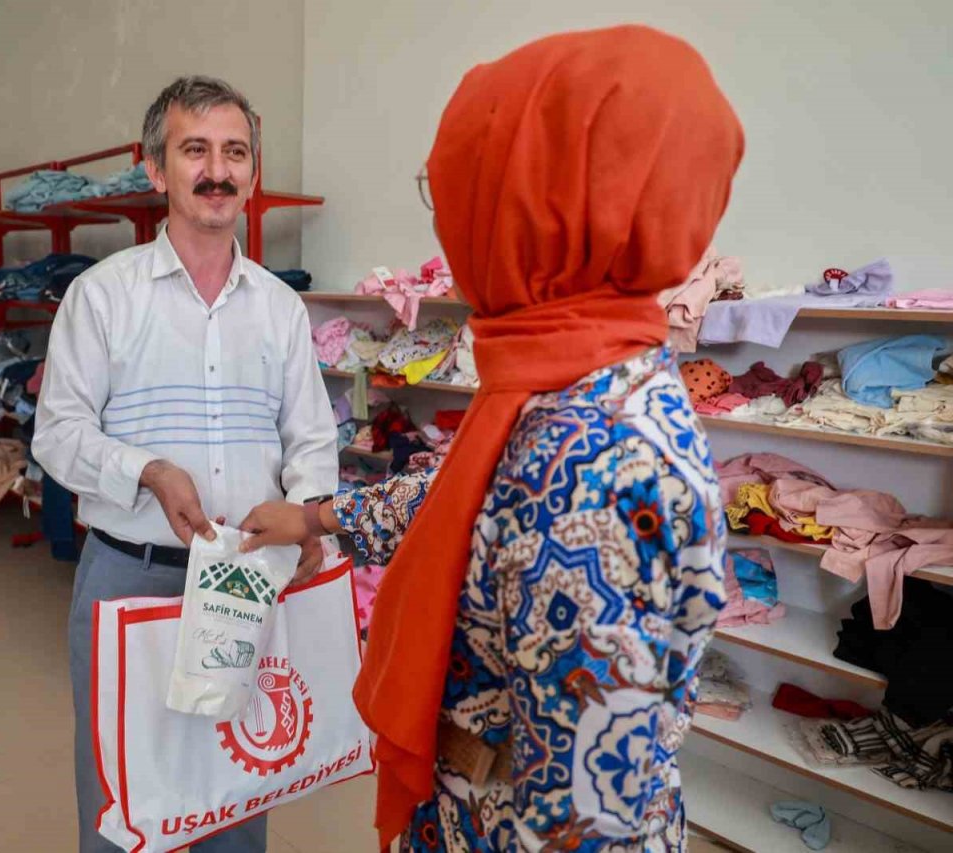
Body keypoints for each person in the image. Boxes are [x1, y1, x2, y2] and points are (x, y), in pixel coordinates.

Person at [239, 26, 742, 851]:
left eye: (458, 191)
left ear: (531, 213)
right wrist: (322, 519)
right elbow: (465, 499)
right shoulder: (574, 372)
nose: (446, 226)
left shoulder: (594, 460)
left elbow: (583, 819)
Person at [33, 75, 338, 853]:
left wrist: (308, 513)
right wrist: (146, 470)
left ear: (253, 173)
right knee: (124, 799)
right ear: (154, 169)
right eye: (194, 149)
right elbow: (57, 434)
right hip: (128, 575)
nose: (217, 170)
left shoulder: (277, 306)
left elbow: (310, 438)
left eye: (235, 152)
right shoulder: (102, 297)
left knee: (236, 786)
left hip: (243, 579)